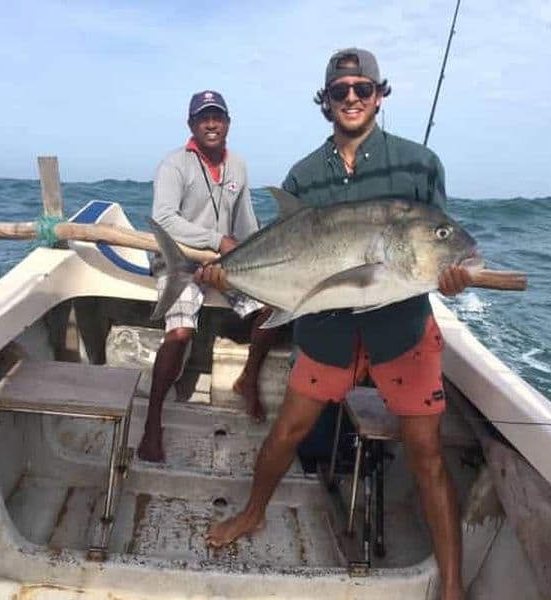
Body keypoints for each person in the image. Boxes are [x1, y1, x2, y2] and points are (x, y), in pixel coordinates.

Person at [201, 50, 471, 599]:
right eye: (341, 89)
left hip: (403, 332)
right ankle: (253, 513)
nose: (352, 97)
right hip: (327, 332)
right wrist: (225, 275)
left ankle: (452, 587)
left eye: (363, 88)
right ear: (326, 101)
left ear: (379, 94)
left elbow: (444, 240)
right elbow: (285, 252)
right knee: (288, 431)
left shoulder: (418, 164)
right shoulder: (303, 175)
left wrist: (452, 271)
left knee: (426, 454)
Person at [137, 90, 279, 463]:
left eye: (217, 117)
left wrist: (260, 254)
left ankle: (248, 378)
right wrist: (217, 240)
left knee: (276, 307)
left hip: (222, 264)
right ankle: (153, 424)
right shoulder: (174, 165)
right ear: (191, 126)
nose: (211, 124)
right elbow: (164, 220)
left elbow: (246, 224)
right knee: (181, 331)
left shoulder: (239, 166)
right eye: (203, 118)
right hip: (178, 260)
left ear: (228, 123)